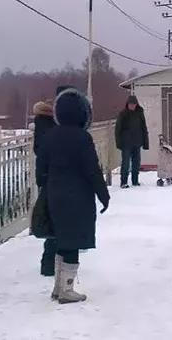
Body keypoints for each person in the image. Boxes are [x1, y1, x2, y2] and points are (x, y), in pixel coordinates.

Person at [37, 87, 110, 304]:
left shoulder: (50, 136)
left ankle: (58, 288)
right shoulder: (82, 138)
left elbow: (40, 167)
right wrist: (103, 195)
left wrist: (47, 187)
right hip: (78, 197)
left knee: (61, 239)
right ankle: (67, 290)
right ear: (82, 113)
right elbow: (92, 170)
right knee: (73, 241)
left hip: (54, 194)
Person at [32, 93, 59, 277]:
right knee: (56, 220)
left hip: (45, 176)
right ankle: (50, 262)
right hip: (54, 176)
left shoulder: (40, 123)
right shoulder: (51, 125)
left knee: (50, 218)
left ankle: (48, 262)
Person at [114, 95, 149, 188]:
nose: (132, 106)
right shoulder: (123, 114)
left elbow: (143, 128)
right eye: (130, 104)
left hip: (137, 142)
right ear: (127, 104)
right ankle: (123, 182)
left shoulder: (139, 114)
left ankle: (135, 181)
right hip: (126, 143)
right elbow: (118, 130)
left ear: (136, 105)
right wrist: (119, 142)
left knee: (136, 162)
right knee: (125, 163)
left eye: (133, 104)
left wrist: (145, 142)